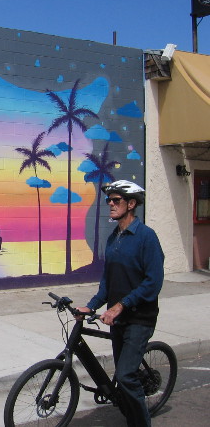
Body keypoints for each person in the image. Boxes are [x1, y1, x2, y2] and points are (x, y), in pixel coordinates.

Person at [76, 180, 164, 427]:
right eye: (109, 200)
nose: (111, 204)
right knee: (123, 376)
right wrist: (91, 306)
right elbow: (108, 281)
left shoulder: (146, 237)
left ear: (131, 204)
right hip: (118, 319)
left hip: (139, 318)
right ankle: (129, 409)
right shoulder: (113, 237)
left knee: (125, 377)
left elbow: (153, 282)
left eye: (116, 200)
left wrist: (121, 305)